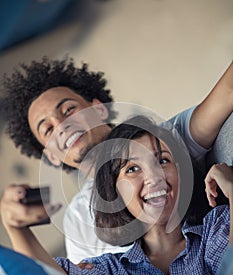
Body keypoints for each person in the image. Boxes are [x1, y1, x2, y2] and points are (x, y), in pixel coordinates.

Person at [1, 116, 232, 275]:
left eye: (162, 161)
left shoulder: (216, 229)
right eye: (132, 169)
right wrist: (16, 228)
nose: (153, 177)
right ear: (115, 193)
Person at [2, 56, 233, 262]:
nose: (62, 126)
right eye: (48, 129)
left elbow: (228, 91)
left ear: (99, 109)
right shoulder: (79, 217)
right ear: (51, 154)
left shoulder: (164, 140)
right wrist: (15, 228)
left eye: (69, 110)